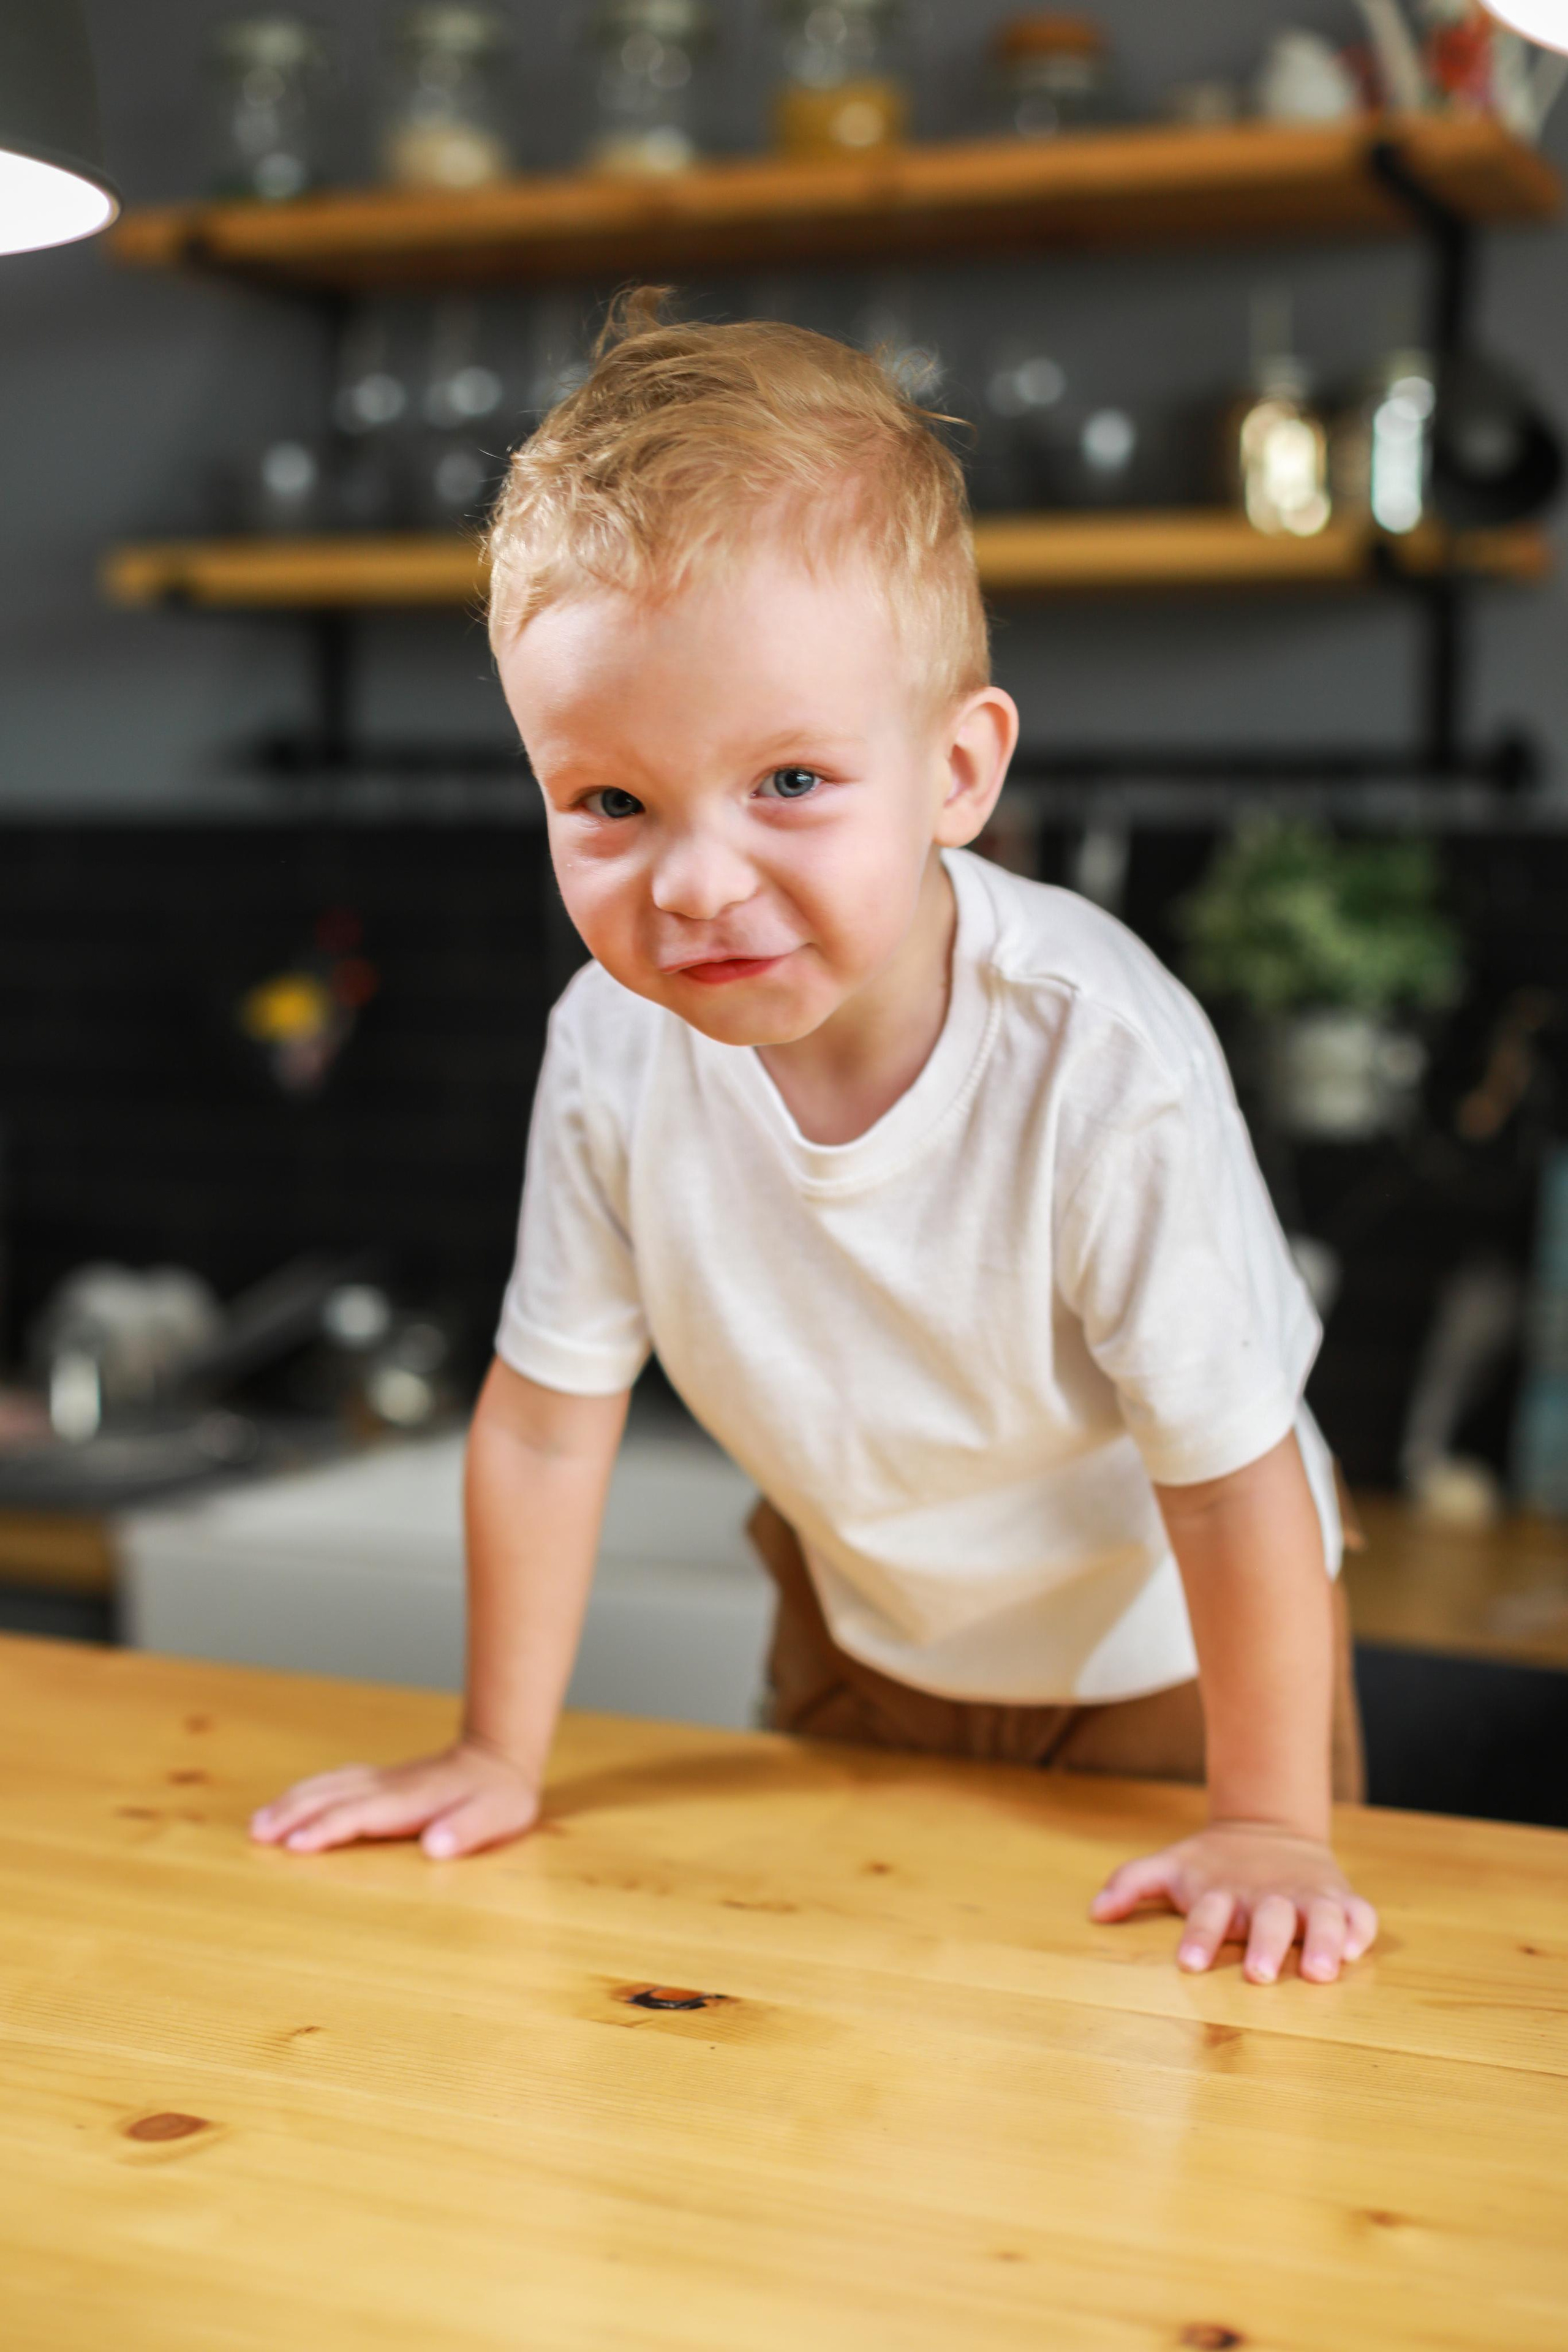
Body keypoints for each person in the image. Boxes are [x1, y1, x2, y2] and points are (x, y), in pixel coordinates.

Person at [253, 296, 1376, 1989]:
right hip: (855, 1646)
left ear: (956, 771)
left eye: (787, 780)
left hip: (1179, 1683)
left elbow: (1236, 1481)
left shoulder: (1099, 1056)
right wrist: (497, 1749)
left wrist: (1275, 1819)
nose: (695, 881)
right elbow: (552, 1431)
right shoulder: (609, 1052)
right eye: (611, 804)